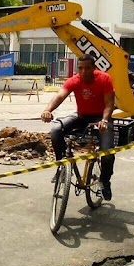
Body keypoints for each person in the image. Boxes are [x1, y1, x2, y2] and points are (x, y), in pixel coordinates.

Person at [41, 54, 116, 200]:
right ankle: (61, 165)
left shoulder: (104, 79)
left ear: (94, 68)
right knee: (56, 129)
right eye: (80, 68)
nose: (83, 72)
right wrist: (47, 110)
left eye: (87, 68)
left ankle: (105, 181)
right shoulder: (74, 81)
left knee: (107, 153)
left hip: (101, 119)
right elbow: (60, 96)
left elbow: (109, 104)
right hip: (82, 117)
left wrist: (105, 120)